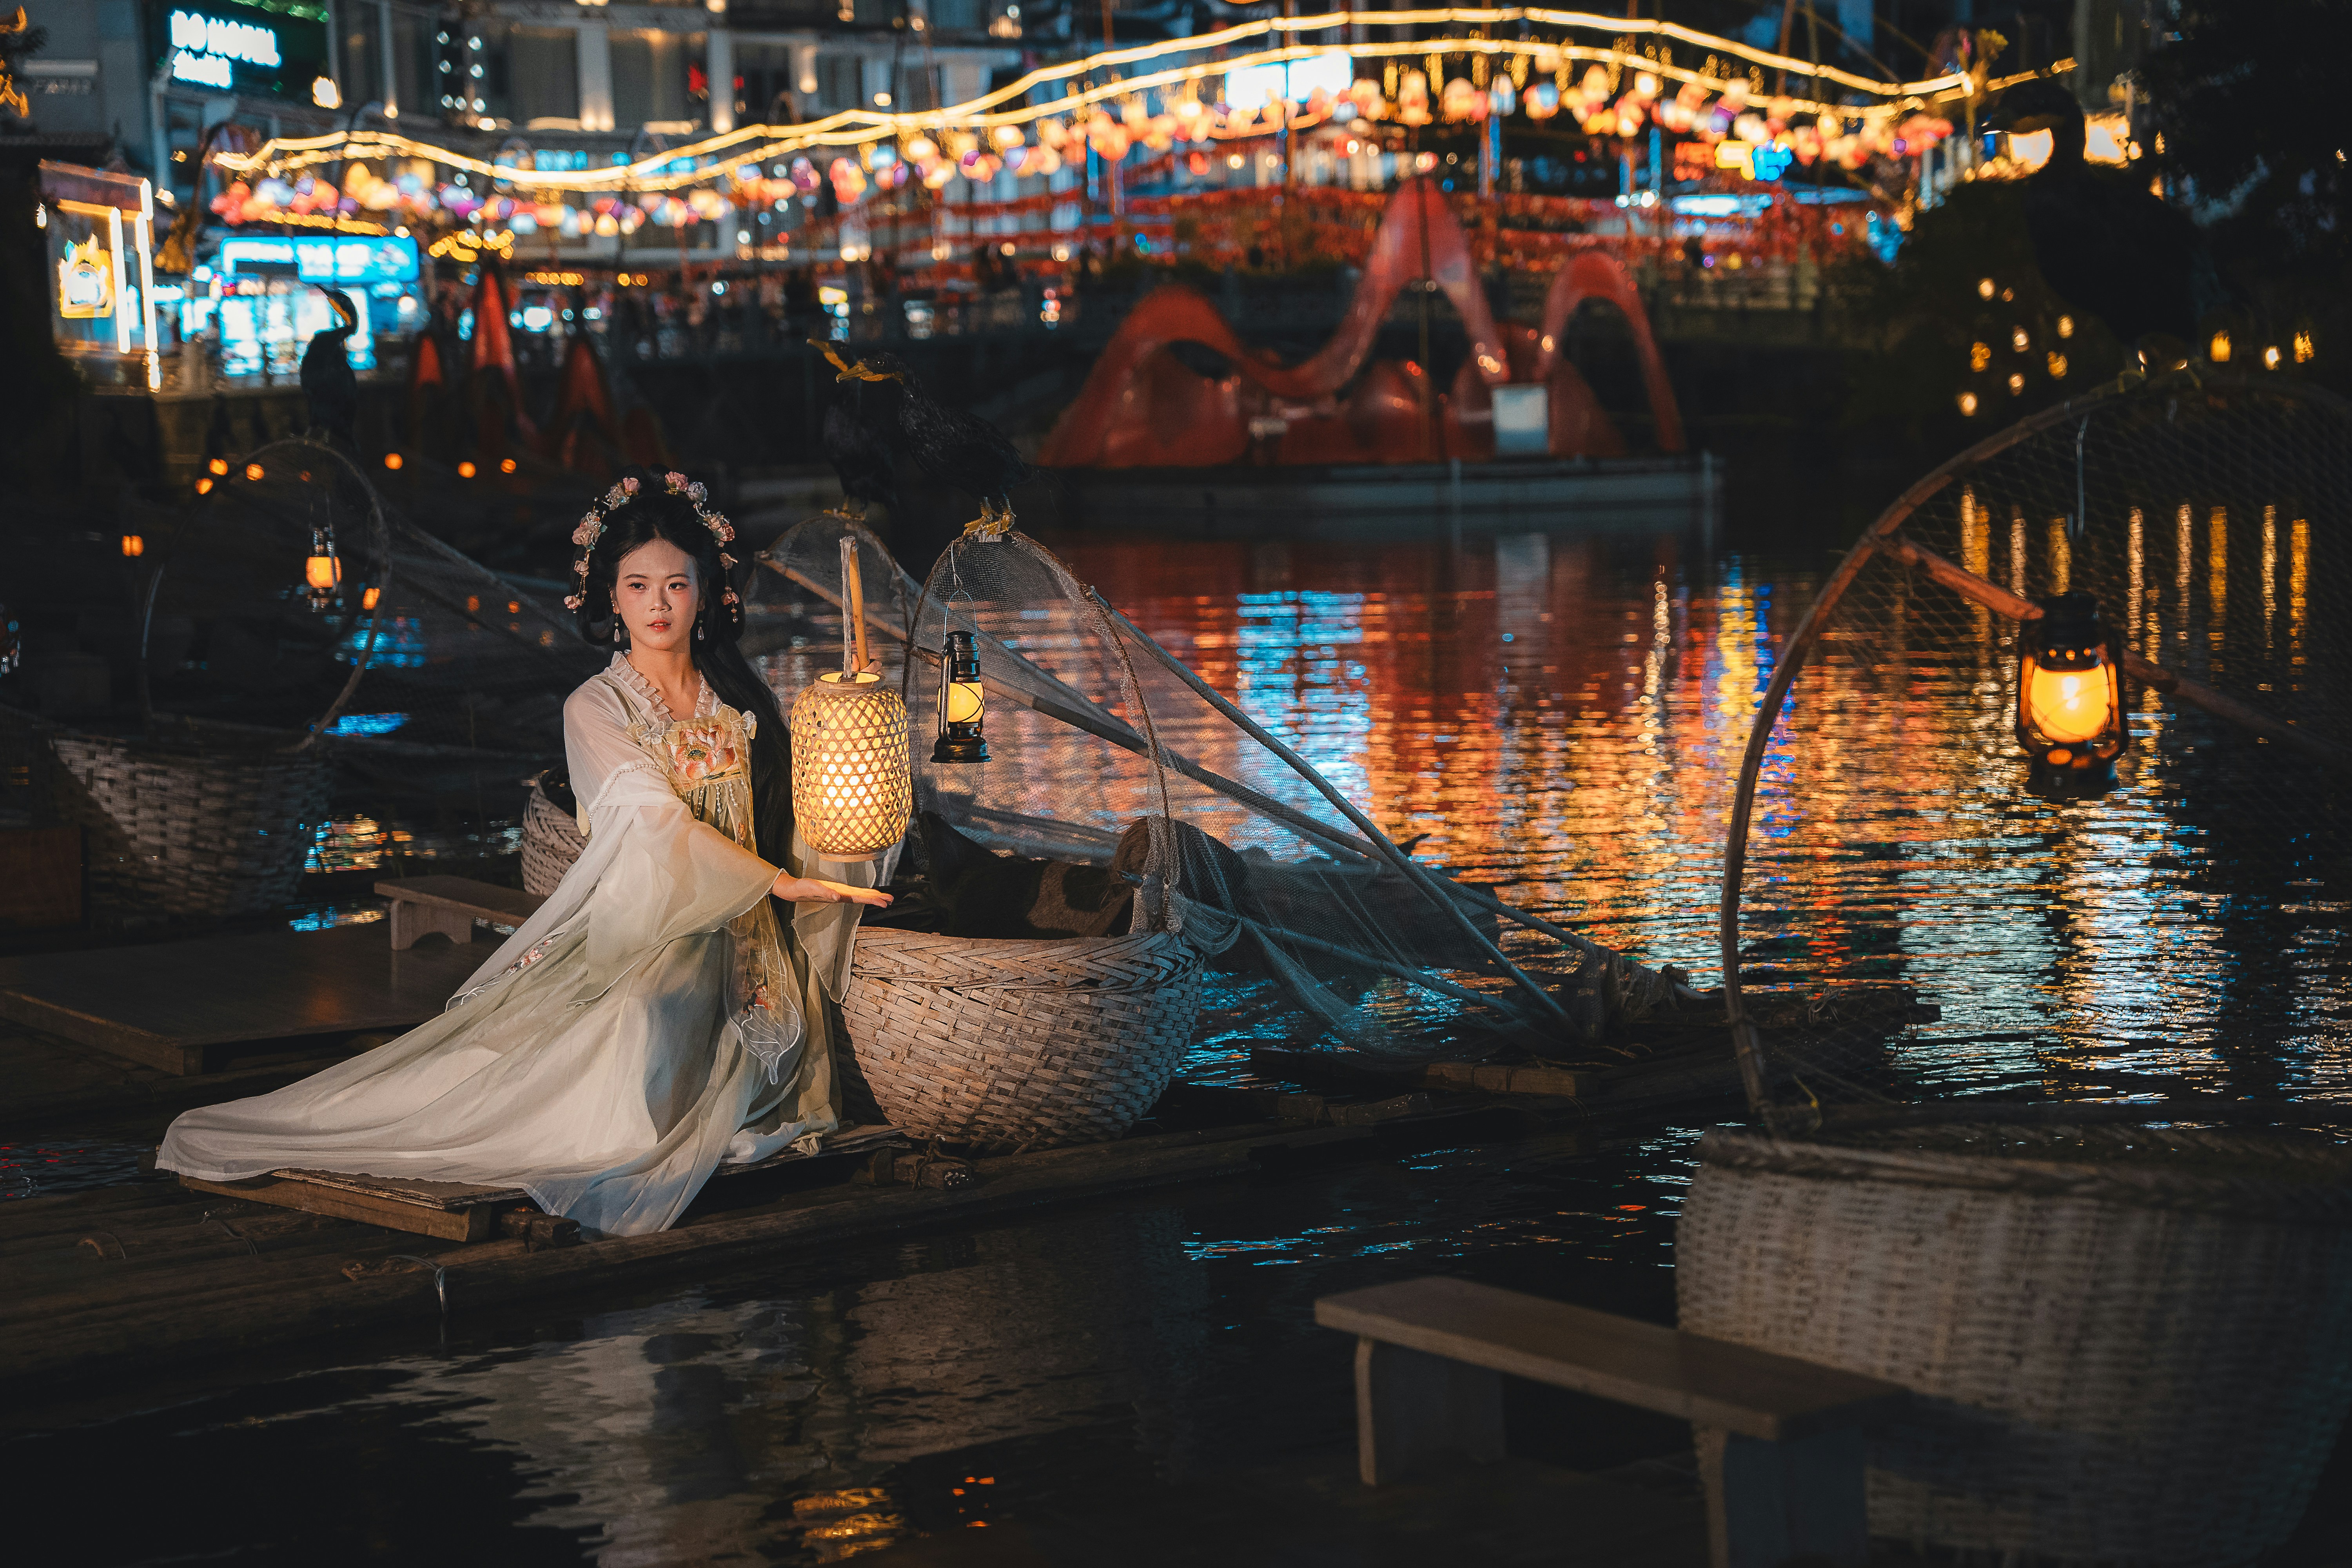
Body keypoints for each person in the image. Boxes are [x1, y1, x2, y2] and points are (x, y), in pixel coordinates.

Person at [157, 470, 892, 1236]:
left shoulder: (738, 694)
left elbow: (812, 803)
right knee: (634, 1026)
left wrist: (835, 827)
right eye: (639, 584)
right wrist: (773, 880)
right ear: (610, 595)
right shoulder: (598, 707)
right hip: (653, 925)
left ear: (707, 591)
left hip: (748, 930)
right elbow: (648, 821)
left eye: (678, 583)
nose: (660, 604)